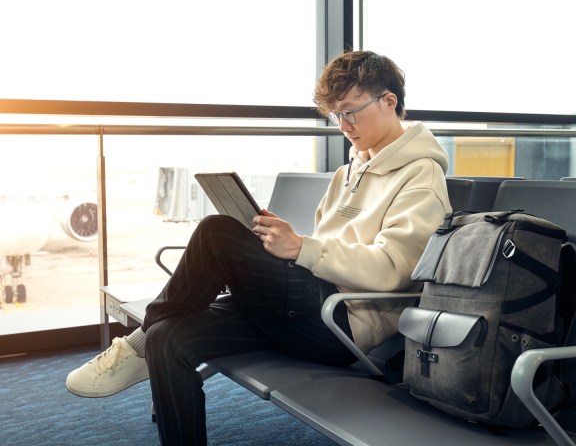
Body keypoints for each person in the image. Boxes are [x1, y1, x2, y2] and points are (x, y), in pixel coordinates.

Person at [66, 50, 452, 445]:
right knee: (170, 337)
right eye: (337, 115)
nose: (344, 126)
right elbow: (327, 247)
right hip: (305, 305)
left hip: (339, 323)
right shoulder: (348, 172)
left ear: (389, 101)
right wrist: (279, 241)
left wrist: (301, 248)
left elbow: (393, 270)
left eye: (352, 111)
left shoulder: (422, 178)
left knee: (217, 232)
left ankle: (135, 346)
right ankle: (153, 348)